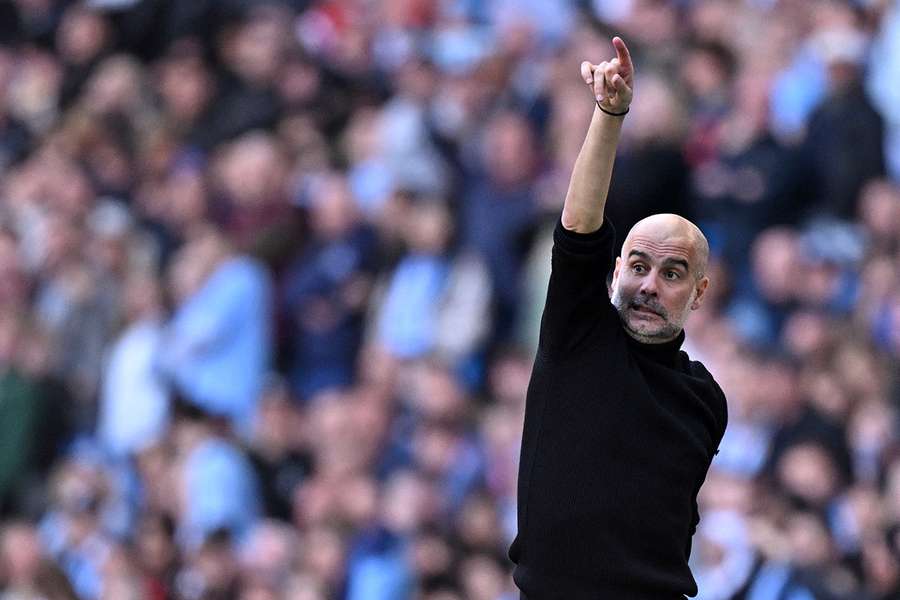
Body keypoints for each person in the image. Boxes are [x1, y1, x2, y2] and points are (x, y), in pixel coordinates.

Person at [508, 37, 728, 599]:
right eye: (637, 266)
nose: (650, 285)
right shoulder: (578, 335)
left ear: (698, 293)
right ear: (613, 276)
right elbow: (579, 226)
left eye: (673, 273)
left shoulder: (705, 399)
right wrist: (610, 115)